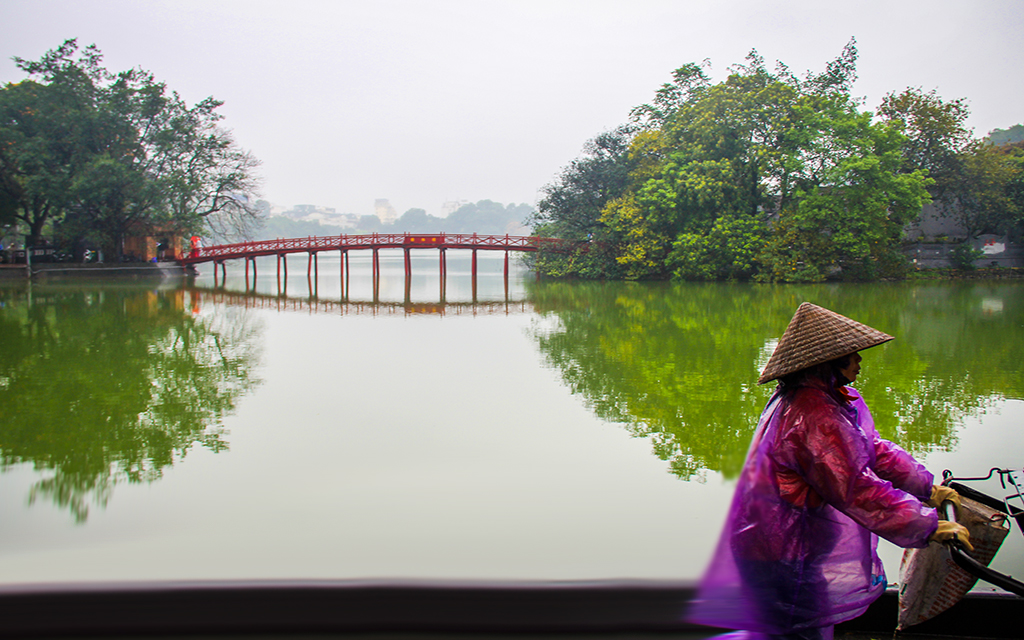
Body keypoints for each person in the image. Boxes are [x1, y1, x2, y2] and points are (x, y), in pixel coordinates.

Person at [688, 302, 972, 640]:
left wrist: (927, 487)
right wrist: (926, 524)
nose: (859, 361)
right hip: (781, 551)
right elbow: (855, 488)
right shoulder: (813, 416)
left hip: (791, 545)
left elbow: (872, 448)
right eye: (852, 355)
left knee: (791, 627)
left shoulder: (826, 401)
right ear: (828, 364)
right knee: (792, 631)